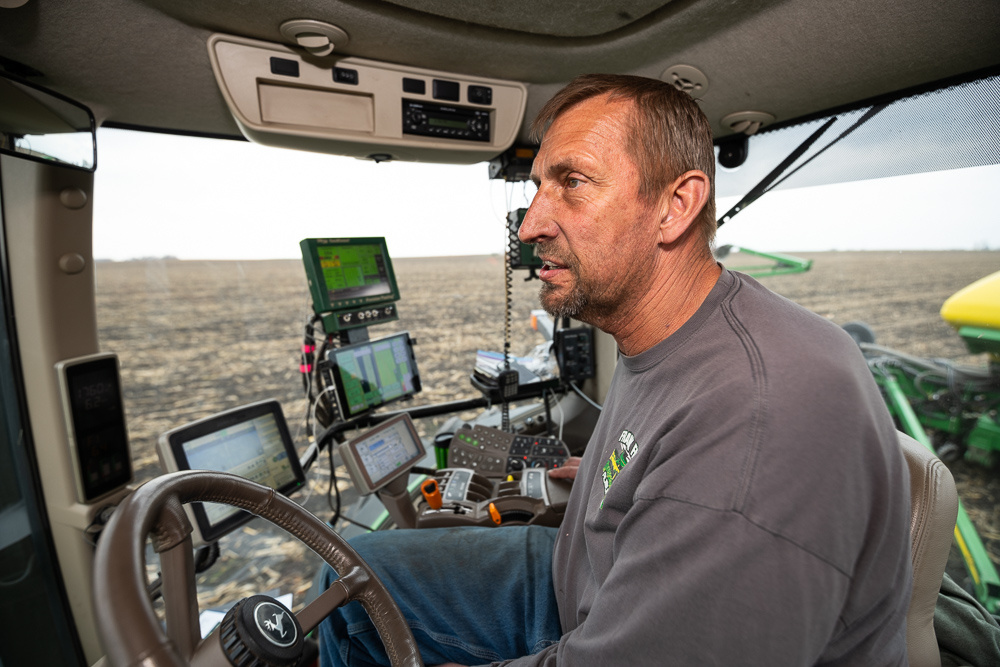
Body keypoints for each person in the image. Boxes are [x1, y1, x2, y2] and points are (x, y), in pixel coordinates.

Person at [318, 74, 912, 666]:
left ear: (675, 205)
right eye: (539, 188)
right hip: (580, 577)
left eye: (573, 183)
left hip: (599, 621)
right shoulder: (668, 330)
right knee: (344, 575)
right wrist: (611, 476)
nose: (530, 228)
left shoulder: (758, 415)